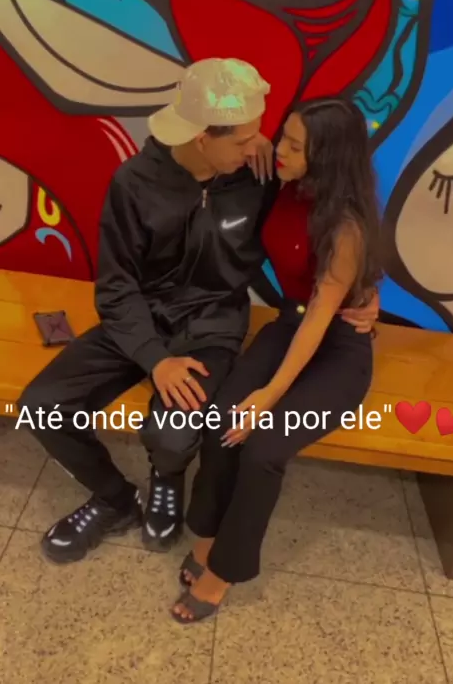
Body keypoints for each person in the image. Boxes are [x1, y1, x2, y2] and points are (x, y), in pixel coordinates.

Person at [18, 62, 377, 565]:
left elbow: (334, 226)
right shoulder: (134, 183)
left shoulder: (262, 176)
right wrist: (155, 358)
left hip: (212, 327)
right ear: (203, 138)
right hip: (139, 321)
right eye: (246, 139)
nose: (261, 147)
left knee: (173, 436)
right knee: (42, 406)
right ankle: (115, 500)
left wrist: (364, 290)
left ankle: (167, 478)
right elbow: (117, 289)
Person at [170, 97, 383, 624]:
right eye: (282, 136)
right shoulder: (286, 179)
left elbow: (320, 321)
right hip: (290, 321)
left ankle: (225, 570)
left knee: (262, 449)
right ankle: (208, 536)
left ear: (326, 158)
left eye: (295, 145)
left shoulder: (346, 228)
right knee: (221, 421)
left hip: (336, 348)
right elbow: (257, 148)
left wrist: (268, 396)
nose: (279, 149)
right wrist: (267, 143)